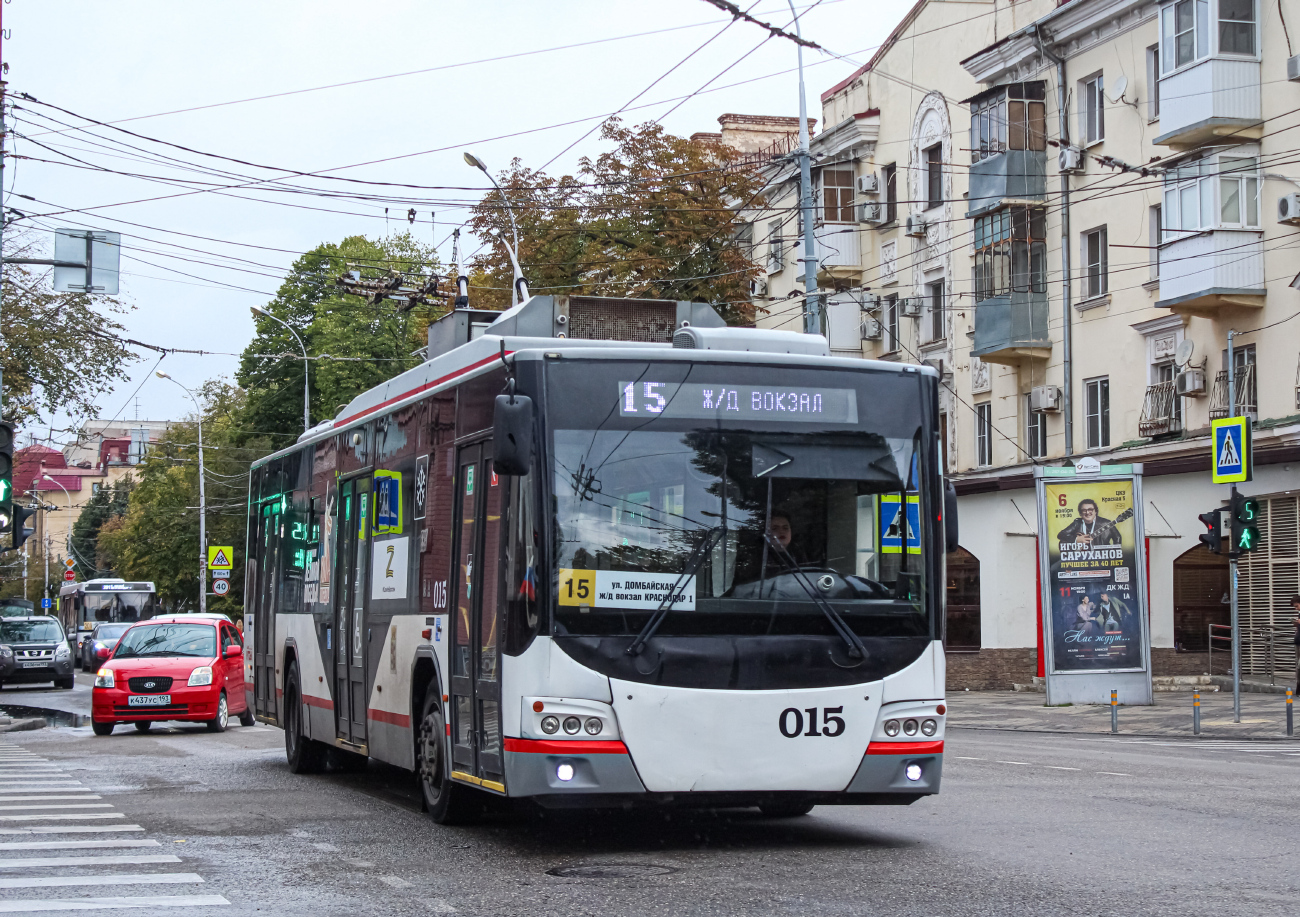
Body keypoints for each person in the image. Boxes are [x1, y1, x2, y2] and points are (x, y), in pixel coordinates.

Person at [1057, 499, 1122, 547]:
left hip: (1101, 558)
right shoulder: (1077, 523)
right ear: (1080, 513)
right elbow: (1061, 535)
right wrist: (1076, 539)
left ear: (1096, 511)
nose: (1087, 512)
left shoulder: (1106, 523)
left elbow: (1117, 537)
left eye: (1090, 509)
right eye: (1084, 510)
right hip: (1080, 558)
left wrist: (1114, 554)